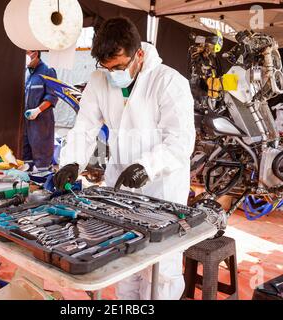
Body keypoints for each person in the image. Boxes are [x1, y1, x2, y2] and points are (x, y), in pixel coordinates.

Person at [54, 17, 195, 300]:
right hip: (120, 186)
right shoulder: (99, 80)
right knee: (123, 258)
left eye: (119, 67)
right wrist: (71, 161)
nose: (112, 74)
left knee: (160, 269)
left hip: (162, 188)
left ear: (139, 54)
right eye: (106, 69)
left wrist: (148, 166)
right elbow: (85, 127)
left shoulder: (168, 82)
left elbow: (180, 142)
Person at [23, 50, 58, 170]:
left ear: (35, 53)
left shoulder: (48, 71)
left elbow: (52, 96)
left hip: (42, 123)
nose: (25, 56)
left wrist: (37, 110)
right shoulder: (26, 73)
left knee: (42, 156)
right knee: (25, 157)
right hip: (26, 122)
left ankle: (44, 182)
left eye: (27, 52)